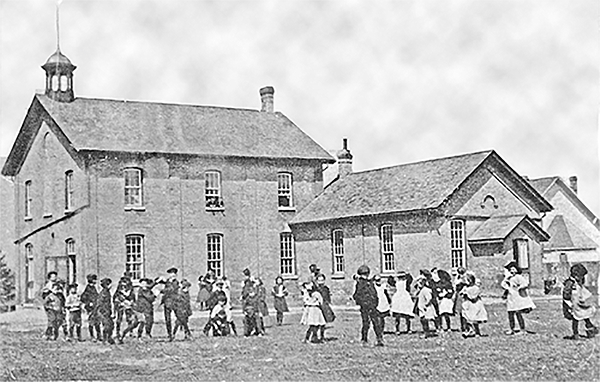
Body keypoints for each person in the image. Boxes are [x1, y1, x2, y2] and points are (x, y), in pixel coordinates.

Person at [563, 263, 598, 340]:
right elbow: (566, 295)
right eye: (581, 276)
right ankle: (576, 334)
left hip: (579, 303)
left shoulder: (578, 282)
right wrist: (569, 305)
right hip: (573, 304)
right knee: (576, 319)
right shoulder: (570, 283)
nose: (582, 278)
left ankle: (590, 327)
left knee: (585, 314)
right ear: (576, 275)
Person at [501, 261, 535, 335]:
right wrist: (506, 285)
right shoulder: (509, 278)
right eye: (510, 269)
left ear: (517, 269)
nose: (512, 271)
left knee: (518, 313)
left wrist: (519, 287)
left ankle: (522, 329)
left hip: (518, 297)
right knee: (510, 313)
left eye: (513, 269)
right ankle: (511, 328)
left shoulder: (518, 277)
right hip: (511, 297)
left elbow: (525, 284)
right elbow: (503, 284)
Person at [352, 265, 383, 346]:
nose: (365, 276)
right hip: (365, 307)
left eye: (366, 274)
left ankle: (379, 339)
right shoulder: (360, 284)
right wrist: (363, 303)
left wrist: (375, 302)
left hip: (372, 306)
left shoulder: (370, 283)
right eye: (364, 274)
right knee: (366, 323)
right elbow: (356, 295)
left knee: (376, 323)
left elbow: (374, 293)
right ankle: (364, 339)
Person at [460, 273, 488, 338]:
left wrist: (467, 294)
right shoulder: (465, 287)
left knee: (474, 319)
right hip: (467, 305)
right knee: (466, 318)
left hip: (474, 305)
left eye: (466, 280)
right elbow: (461, 293)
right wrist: (463, 293)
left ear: (470, 280)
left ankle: (477, 332)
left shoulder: (475, 288)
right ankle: (470, 330)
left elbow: (474, 298)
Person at [415, 274, 437, 338]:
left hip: (426, 308)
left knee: (425, 320)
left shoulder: (426, 290)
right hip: (421, 307)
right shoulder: (421, 290)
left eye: (420, 283)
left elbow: (429, 298)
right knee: (423, 321)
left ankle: (427, 333)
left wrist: (426, 305)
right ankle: (427, 332)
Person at [80, 274, 101, 341]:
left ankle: (99, 336)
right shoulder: (88, 289)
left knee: (97, 323)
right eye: (94, 279)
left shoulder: (93, 288)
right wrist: (88, 303)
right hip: (90, 308)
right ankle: (92, 336)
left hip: (96, 307)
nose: (96, 281)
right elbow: (83, 298)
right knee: (91, 323)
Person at [95, 278, 115, 345]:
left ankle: (109, 338)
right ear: (106, 285)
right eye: (109, 284)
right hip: (103, 312)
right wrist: (104, 313)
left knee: (111, 325)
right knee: (107, 326)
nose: (111, 285)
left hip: (107, 311)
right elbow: (100, 304)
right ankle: (105, 340)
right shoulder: (104, 293)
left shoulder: (107, 292)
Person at [161, 267, 180, 341]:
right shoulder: (167, 282)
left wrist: (162, 290)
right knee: (167, 319)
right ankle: (169, 334)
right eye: (170, 274)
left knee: (179, 318)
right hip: (167, 302)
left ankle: (175, 332)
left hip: (174, 301)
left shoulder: (176, 282)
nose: (172, 275)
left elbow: (171, 289)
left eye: (173, 274)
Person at [315, 273, 335, 340]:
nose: (321, 282)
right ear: (317, 281)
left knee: (323, 323)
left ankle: (322, 336)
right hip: (317, 307)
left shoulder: (326, 288)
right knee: (316, 323)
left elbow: (328, 296)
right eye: (319, 280)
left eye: (322, 280)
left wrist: (328, 302)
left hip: (324, 306)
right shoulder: (315, 289)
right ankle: (314, 336)